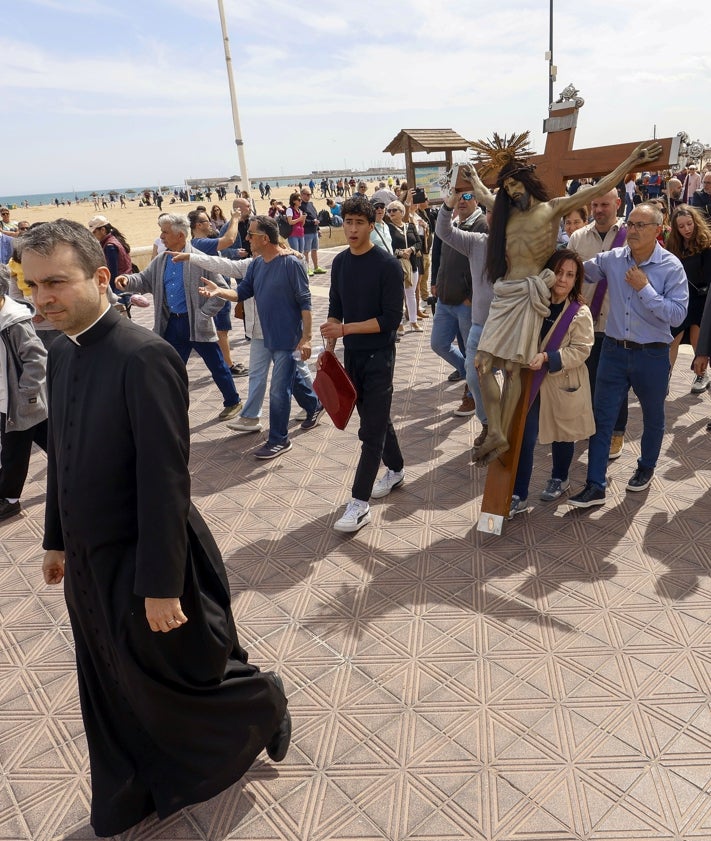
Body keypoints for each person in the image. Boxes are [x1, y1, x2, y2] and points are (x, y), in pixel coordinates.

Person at [21, 219, 289, 838]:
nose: (43, 299)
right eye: (32, 285)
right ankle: (130, 791)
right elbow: (60, 458)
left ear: (102, 278)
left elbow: (167, 480)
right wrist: (55, 539)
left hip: (149, 554)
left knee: (173, 678)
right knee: (109, 677)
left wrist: (162, 584)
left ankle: (263, 700)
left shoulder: (144, 358)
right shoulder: (59, 351)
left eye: (57, 282)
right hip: (88, 559)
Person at [461, 141, 663, 466]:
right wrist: (473, 179)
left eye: (516, 186)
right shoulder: (507, 215)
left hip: (530, 296)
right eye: (508, 189)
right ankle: (496, 429)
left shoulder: (552, 208)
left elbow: (597, 188)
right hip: (505, 296)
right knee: (482, 365)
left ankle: (501, 434)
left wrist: (631, 161)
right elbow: (486, 197)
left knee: (513, 370)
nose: (513, 193)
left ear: (527, 184)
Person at [568, 202, 688, 507]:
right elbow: (581, 271)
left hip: (652, 356)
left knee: (653, 417)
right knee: (602, 417)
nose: (632, 230)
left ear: (657, 230)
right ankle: (595, 484)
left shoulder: (671, 267)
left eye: (640, 226)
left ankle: (646, 466)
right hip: (613, 351)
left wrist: (646, 288)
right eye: (630, 224)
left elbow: (676, 316)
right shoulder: (613, 259)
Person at [196, 216, 319, 459]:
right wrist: (220, 291)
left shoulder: (291, 263)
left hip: (288, 338)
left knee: (278, 388)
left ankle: (279, 439)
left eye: (251, 234)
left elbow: (306, 302)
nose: (247, 238)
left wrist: (306, 338)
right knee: (291, 378)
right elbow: (242, 292)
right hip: (266, 336)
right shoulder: (256, 265)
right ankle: (314, 405)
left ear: (264, 238)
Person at [320, 197, 405, 533]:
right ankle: (396, 469)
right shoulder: (340, 263)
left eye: (359, 222)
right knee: (377, 419)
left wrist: (345, 329)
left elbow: (390, 319)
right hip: (350, 356)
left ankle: (359, 504)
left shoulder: (387, 265)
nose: (352, 229)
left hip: (380, 357)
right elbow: (335, 303)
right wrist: (330, 343)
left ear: (372, 225)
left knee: (370, 433)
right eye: (348, 222)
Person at [115, 214, 243, 421]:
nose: (161, 236)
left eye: (165, 232)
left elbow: (223, 291)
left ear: (180, 235)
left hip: (196, 323)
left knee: (217, 365)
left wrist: (203, 314)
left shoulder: (200, 259)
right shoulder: (162, 259)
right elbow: (144, 280)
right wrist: (127, 280)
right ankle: (173, 407)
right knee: (171, 369)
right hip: (172, 324)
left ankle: (233, 401)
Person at [508, 250, 595, 516]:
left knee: (562, 433)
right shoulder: (535, 302)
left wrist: (549, 357)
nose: (563, 279)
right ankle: (519, 494)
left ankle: (560, 477)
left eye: (570, 274)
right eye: (559, 272)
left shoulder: (580, 312)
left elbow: (582, 349)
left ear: (577, 279)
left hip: (561, 380)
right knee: (524, 436)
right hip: (530, 381)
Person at [568, 188, 630, 459]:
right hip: (586, 326)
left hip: (618, 324)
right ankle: (593, 426)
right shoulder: (578, 237)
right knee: (590, 380)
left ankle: (617, 432)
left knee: (617, 383)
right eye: (595, 205)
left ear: (617, 203)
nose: (599, 210)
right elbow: (566, 275)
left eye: (605, 204)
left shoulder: (632, 234)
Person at [430, 182, 487, 418]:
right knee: (438, 343)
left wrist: (471, 298)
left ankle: (473, 397)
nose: (462, 200)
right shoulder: (453, 223)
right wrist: (435, 281)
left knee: (470, 351)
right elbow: (438, 255)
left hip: (466, 304)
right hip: (445, 298)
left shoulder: (482, 225)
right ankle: (466, 374)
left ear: (477, 199)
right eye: (458, 195)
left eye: (467, 195)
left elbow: (485, 269)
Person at [0, 264, 48, 521]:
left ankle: (9, 500)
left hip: (18, 402)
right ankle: (90, 470)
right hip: (9, 399)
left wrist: (27, 395)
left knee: (12, 452)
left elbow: (37, 359)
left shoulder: (14, 323)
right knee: (57, 441)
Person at [666, 204, 711, 392]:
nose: (687, 229)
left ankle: (702, 375)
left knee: (698, 339)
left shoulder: (706, 243)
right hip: (682, 298)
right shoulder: (674, 245)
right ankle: (664, 376)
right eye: (681, 226)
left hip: (704, 299)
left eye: (689, 224)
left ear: (695, 222)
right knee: (672, 338)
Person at [385, 200, 422, 332]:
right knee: (398, 295)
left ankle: (413, 321)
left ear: (402, 212)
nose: (391, 213)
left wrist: (410, 250)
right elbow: (388, 246)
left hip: (412, 264)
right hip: (397, 265)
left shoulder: (410, 226)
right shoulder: (387, 228)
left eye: (394, 210)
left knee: (411, 293)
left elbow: (419, 242)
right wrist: (400, 252)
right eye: (389, 211)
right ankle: (399, 323)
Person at [299, 187, 327, 275]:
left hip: (314, 231)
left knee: (314, 249)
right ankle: (307, 269)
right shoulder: (300, 206)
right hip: (307, 232)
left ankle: (316, 267)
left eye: (310, 194)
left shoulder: (311, 204)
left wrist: (318, 228)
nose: (309, 196)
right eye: (307, 194)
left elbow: (315, 216)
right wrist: (312, 222)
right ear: (302, 195)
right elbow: (301, 220)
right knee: (306, 251)